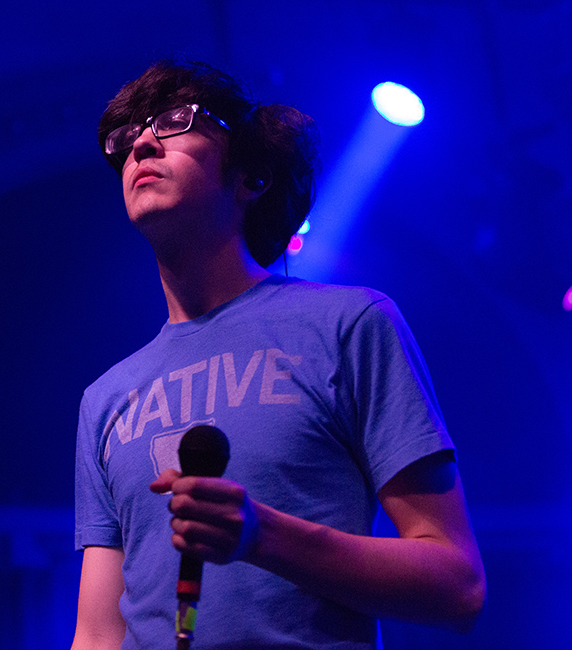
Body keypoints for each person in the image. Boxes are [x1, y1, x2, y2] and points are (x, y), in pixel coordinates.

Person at [71, 59, 485, 650]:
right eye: (127, 136)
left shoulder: (349, 324)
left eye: (172, 121)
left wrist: (261, 534)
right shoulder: (104, 399)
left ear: (252, 177)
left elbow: (458, 586)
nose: (140, 142)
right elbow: (97, 634)